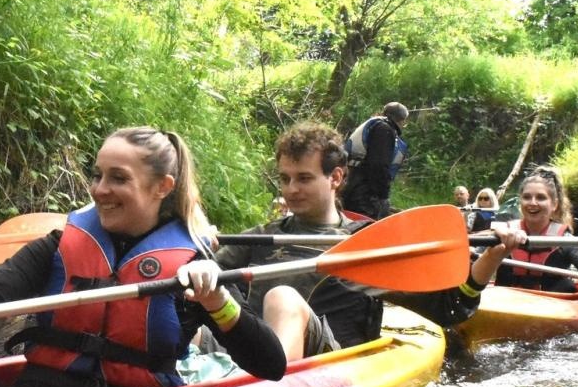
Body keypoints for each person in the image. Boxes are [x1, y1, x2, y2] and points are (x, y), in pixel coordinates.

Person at [0, 127, 287, 387]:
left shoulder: (191, 265)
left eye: (118, 178)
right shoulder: (61, 244)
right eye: (97, 175)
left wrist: (217, 301)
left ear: (162, 187)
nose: (99, 189)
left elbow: (271, 364)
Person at [215, 122, 523, 363]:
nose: (291, 189)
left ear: (336, 178)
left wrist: (493, 256)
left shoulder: (369, 244)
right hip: (252, 354)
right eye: (285, 179)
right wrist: (200, 247)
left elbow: (449, 306)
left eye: (304, 178)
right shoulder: (261, 236)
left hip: (329, 361)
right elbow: (206, 273)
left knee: (282, 298)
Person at [492, 166, 578, 292]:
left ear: (554, 204)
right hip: (506, 300)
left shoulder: (565, 241)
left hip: (551, 302)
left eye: (540, 198)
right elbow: (476, 259)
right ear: (520, 202)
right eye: (526, 197)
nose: (532, 203)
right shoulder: (504, 233)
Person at [340, 101, 408, 219]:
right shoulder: (384, 130)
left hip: (350, 181)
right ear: (401, 120)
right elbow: (379, 166)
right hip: (363, 191)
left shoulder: (374, 125)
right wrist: (383, 197)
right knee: (365, 225)